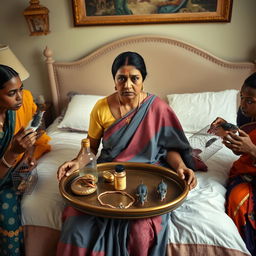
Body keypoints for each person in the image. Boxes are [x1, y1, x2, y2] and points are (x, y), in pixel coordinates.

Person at [57, 51, 197, 256]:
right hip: (109, 173)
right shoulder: (101, 108)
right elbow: (91, 147)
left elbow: (170, 148)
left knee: (140, 230)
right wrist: (77, 163)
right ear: (114, 81)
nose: (128, 85)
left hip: (149, 172)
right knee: (76, 225)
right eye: (121, 78)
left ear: (143, 81)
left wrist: (181, 167)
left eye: (134, 78)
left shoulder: (157, 108)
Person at [0, 64, 51, 255]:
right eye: (12, 93)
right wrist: (13, 153)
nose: (21, 97)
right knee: (6, 207)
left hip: (11, 172)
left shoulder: (13, 112)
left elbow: (30, 143)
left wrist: (28, 157)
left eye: (21, 89)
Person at [209, 72, 256, 255]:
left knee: (239, 199)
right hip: (245, 172)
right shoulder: (246, 117)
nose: (243, 105)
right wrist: (226, 131)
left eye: (250, 101)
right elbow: (240, 148)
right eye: (242, 98)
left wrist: (251, 149)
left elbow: (249, 147)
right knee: (237, 196)